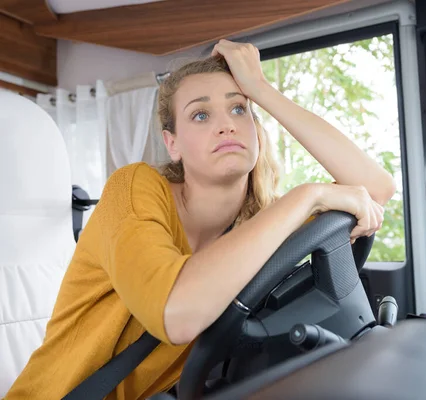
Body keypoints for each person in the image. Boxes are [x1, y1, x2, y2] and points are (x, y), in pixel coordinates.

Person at [4, 39, 396, 400]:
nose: (226, 124)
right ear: (171, 144)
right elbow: (176, 314)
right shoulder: (134, 189)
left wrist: (260, 88)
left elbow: (374, 191)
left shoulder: (260, 224)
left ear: (255, 130)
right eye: (201, 115)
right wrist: (307, 195)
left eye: (238, 108)